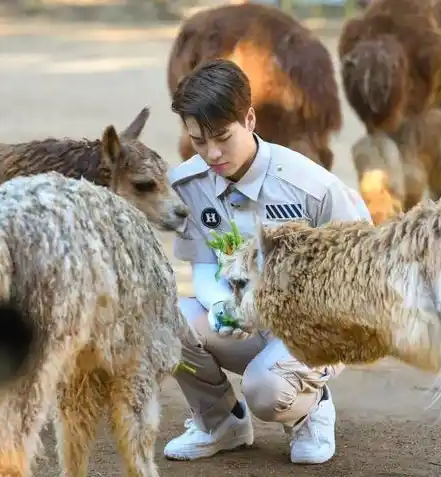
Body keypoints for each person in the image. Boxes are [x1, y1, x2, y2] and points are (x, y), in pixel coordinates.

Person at [166, 58, 372, 464]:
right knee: (167, 321)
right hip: (246, 320)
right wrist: (224, 307)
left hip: (317, 326)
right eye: (198, 140)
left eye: (222, 137)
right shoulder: (189, 184)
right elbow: (205, 266)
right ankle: (220, 422)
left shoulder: (314, 188)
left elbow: (361, 275)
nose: (211, 153)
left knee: (267, 390)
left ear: (250, 118)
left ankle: (310, 409)